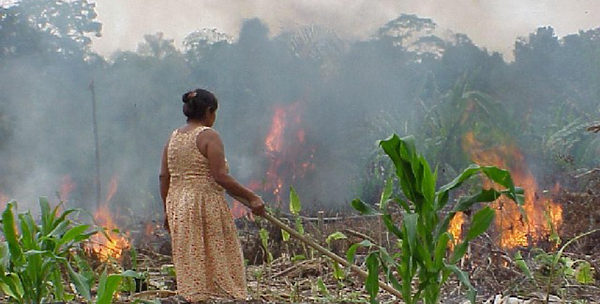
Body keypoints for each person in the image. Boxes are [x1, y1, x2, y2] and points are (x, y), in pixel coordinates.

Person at [159, 88, 265, 302]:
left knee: (192, 254)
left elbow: (163, 177)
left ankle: (195, 296)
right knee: (219, 252)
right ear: (209, 111)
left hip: (178, 203)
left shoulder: (174, 137)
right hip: (203, 202)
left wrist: (167, 211)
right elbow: (220, 176)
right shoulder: (208, 135)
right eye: (214, 113)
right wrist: (252, 197)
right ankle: (224, 296)